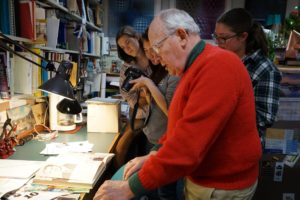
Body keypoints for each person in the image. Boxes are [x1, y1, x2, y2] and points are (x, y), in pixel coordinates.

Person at [94, 8, 262, 200]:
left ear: (181, 36)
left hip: (220, 187)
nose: (155, 58)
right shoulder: (192, 70)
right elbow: (179, 129)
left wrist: (129, 188)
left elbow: (187, 147)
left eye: (157, 48)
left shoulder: (217, 67)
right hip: (206, 181)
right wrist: (153, 155)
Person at [115, 26, 182, 199]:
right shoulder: (127, 67)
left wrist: (148, 88)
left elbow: (169, 109)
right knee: (147, 173)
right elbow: (128, 95)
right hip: (149, 125)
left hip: (162, 129)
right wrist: (145, 94)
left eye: (128, 42)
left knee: (163, 186)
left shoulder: (165, 68)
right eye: (123, 47)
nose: (127, 48)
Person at [214, 8, 282, 145]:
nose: (218, 43)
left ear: (243, 36)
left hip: (242, 145)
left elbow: (265, 118)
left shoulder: (266, 70)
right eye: (216, 37)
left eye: (224, 38)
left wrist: (221, 112)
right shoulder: (222, 61)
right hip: (219, 143)